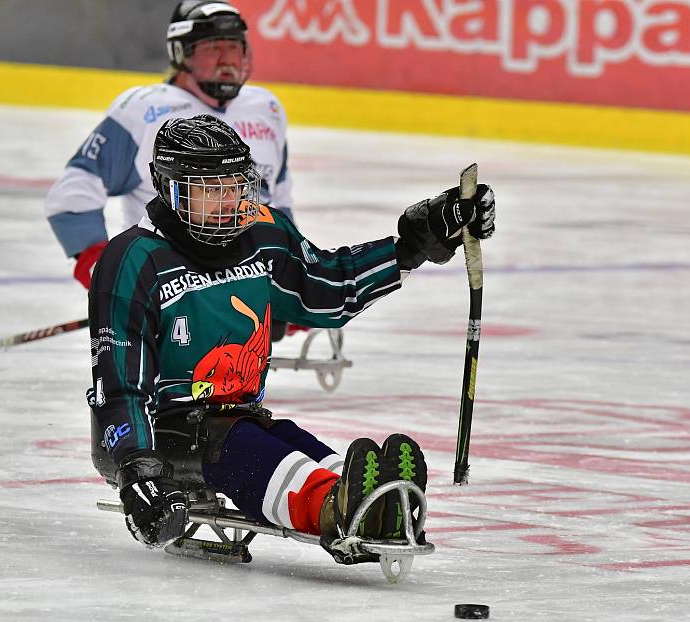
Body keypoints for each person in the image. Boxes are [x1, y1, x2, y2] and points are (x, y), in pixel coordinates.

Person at [88, 115, 496, 563]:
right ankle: (335, 510)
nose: (228, 202)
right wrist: (138, 472)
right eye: (210, 189)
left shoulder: (263, 233)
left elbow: (331, 286)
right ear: (169, 188)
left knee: (293, 445)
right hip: (161, 433)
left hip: (240, 418)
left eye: (234, 186)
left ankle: (370, 501)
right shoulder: (133, 258)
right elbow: (119, 385)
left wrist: (418, 242)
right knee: (253, 451)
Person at [44, 1, 293, 294]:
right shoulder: (145, 110)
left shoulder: (266, 109)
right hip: (168, 291)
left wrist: (291, 281)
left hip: (244, 289)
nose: (228, 61)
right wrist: (106, 270)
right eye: (214, 49)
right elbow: (73, 195)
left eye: (235, 48)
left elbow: (278, 202)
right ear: (181, 54)